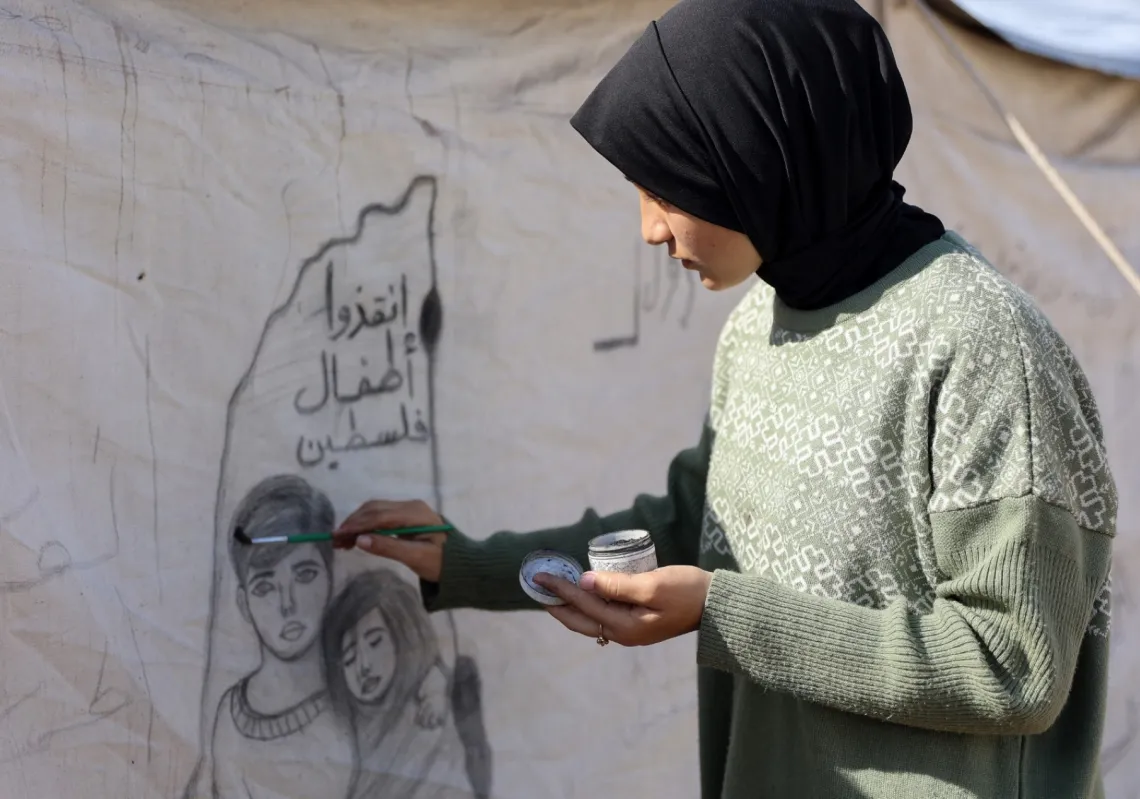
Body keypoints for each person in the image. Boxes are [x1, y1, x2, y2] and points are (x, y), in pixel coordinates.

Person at [334, 0, 1118, 796]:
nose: (647, 229)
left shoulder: (983, 345)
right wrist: (470, 561)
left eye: (666, 191)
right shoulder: (758, 326)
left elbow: (1014, 664)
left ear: (761, 159)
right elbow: (695, 526)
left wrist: (723, 613)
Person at [209, 474, 353, 799]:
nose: (287, 604)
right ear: (244, 605)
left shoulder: (354, 702)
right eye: (265, 587)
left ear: (331, 578)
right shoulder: (231, 715)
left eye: (304, 575)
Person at [321, 569, 479, 799]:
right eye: (349, 658)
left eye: (375, 642)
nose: (363, 666)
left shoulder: (430, 716)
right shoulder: (350, 733)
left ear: (401, 636)